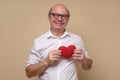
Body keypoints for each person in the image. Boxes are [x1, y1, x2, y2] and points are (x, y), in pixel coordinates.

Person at [25, 4, 93, 80]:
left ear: (68, 19)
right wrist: (46, 61)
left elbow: (88, 67)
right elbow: (29, 73)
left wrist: (84, 59)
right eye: (55, 15)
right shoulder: (38, 42)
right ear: (49, 17)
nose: (60, 19)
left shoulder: (77, 39)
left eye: (64, 16)